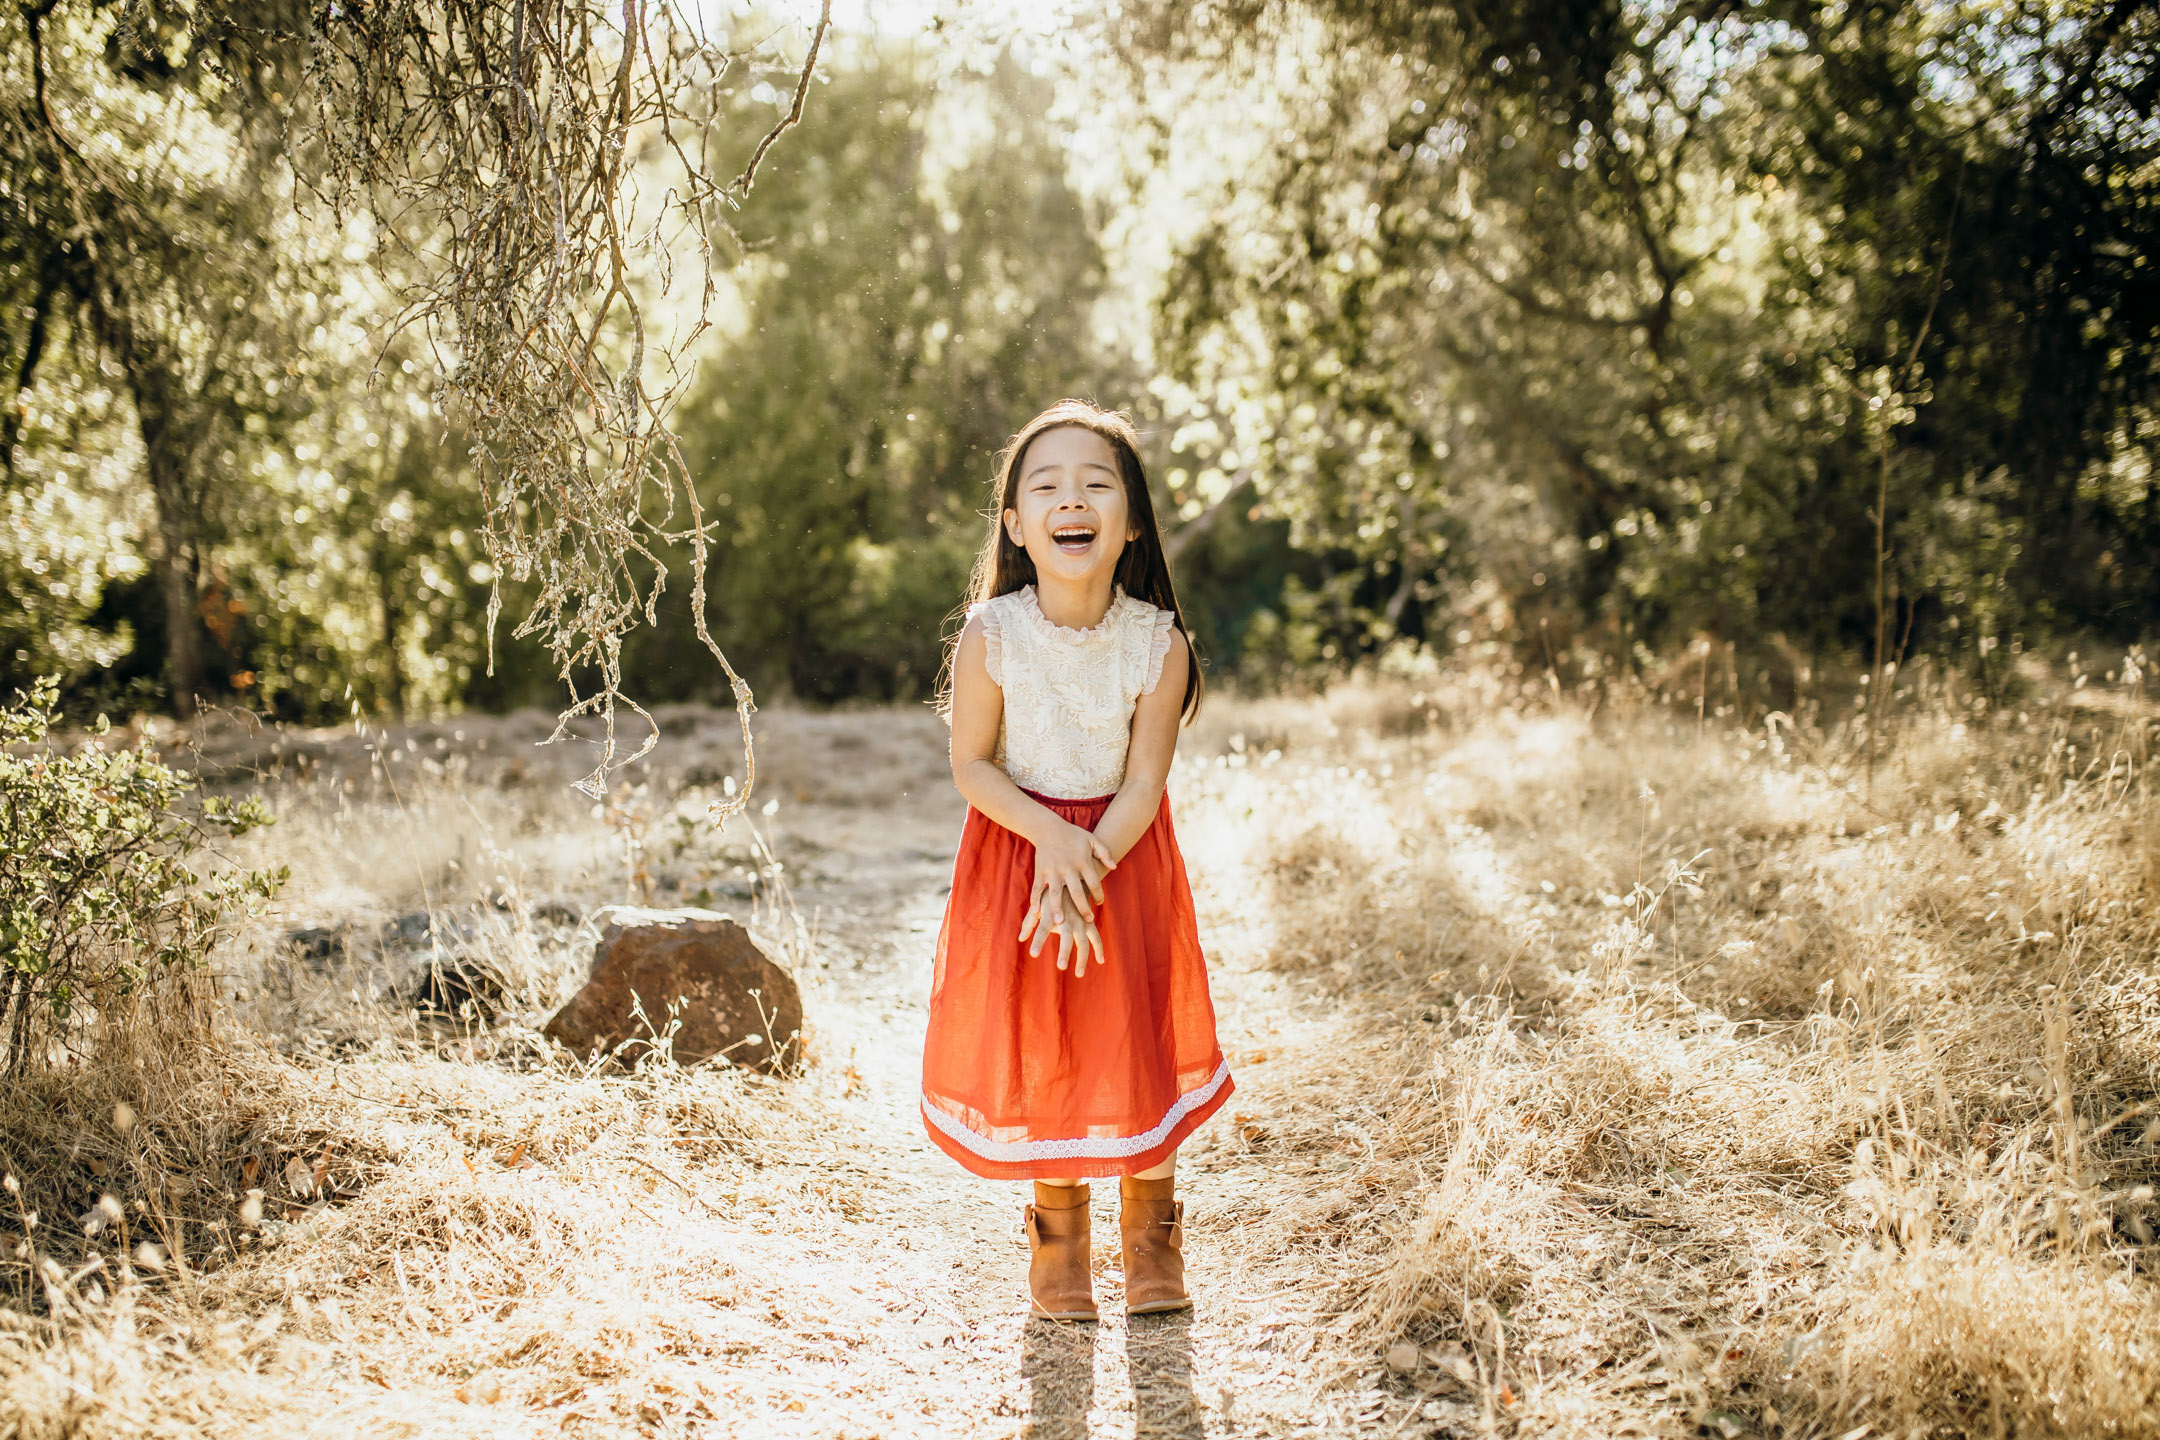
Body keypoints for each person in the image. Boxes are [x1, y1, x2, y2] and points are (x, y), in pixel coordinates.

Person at [921, 398, 1234, 1323]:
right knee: (1047, 1040)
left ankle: (1152, 1238)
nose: (1073, 499)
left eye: (1097, 483)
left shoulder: (1157, 641)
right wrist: (1050, 841)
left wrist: (1088, 861)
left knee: (1134, 1029)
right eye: (1046, 485)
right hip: (1020, 856)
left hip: (1123, 862)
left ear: (1130, 521)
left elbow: (1144, 782)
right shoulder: (991, 635)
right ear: (1016, 524)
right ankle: (1058, 1241)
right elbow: (970, 765)